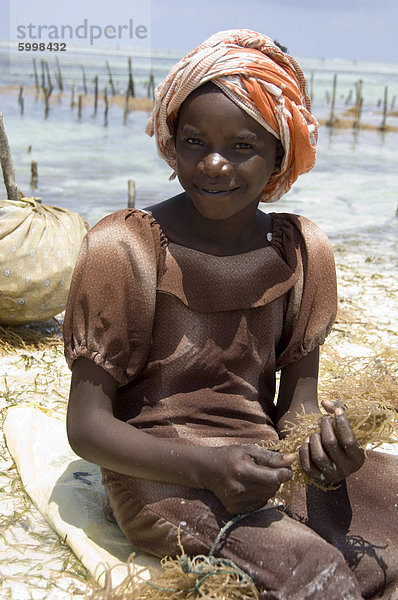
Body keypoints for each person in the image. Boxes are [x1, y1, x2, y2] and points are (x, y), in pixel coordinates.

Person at [64, 30, 397, 599]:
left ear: (278, 155)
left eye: (242, 147)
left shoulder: (301, 250)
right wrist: (208, 468)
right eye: (194, 142)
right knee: (317, 573)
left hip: (262, 460)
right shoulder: (125, 248)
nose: (213, 164)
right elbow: (87, 428)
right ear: (172, 143)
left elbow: (297, 407)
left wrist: (322, 452)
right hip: (161, 471)